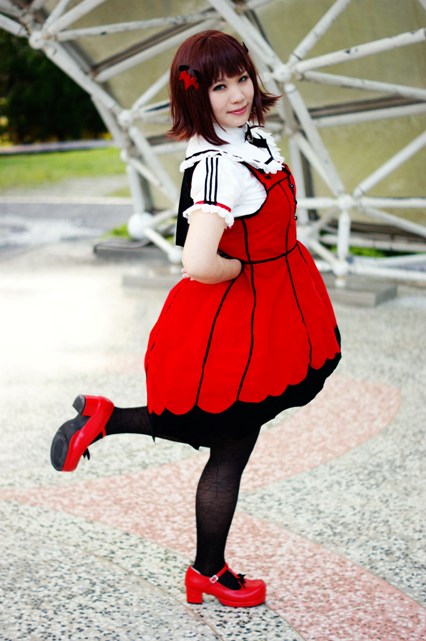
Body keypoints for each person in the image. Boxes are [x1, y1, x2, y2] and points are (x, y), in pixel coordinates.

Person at [50, 30, 341, 608]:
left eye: (241, 79)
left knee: (225, 429)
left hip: (269, 308)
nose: (237, 95)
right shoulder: (217, 166)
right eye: (218, 87)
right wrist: (239, 271)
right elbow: (197, 260)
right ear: (195, 95)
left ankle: (108, 421)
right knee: (229, 439)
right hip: (241, 317)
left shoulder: (245, 138)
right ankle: (207, 570)